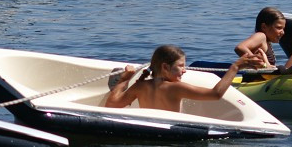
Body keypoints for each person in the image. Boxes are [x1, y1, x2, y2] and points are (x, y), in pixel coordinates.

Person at [105, 45, 259, 113]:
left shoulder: (140, 86)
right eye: (181, 66)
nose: (185, 70)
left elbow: (111, 104)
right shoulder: (175, 88)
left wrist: (125, 79)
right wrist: (235, 67)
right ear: (165, 67)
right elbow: (215, 94)